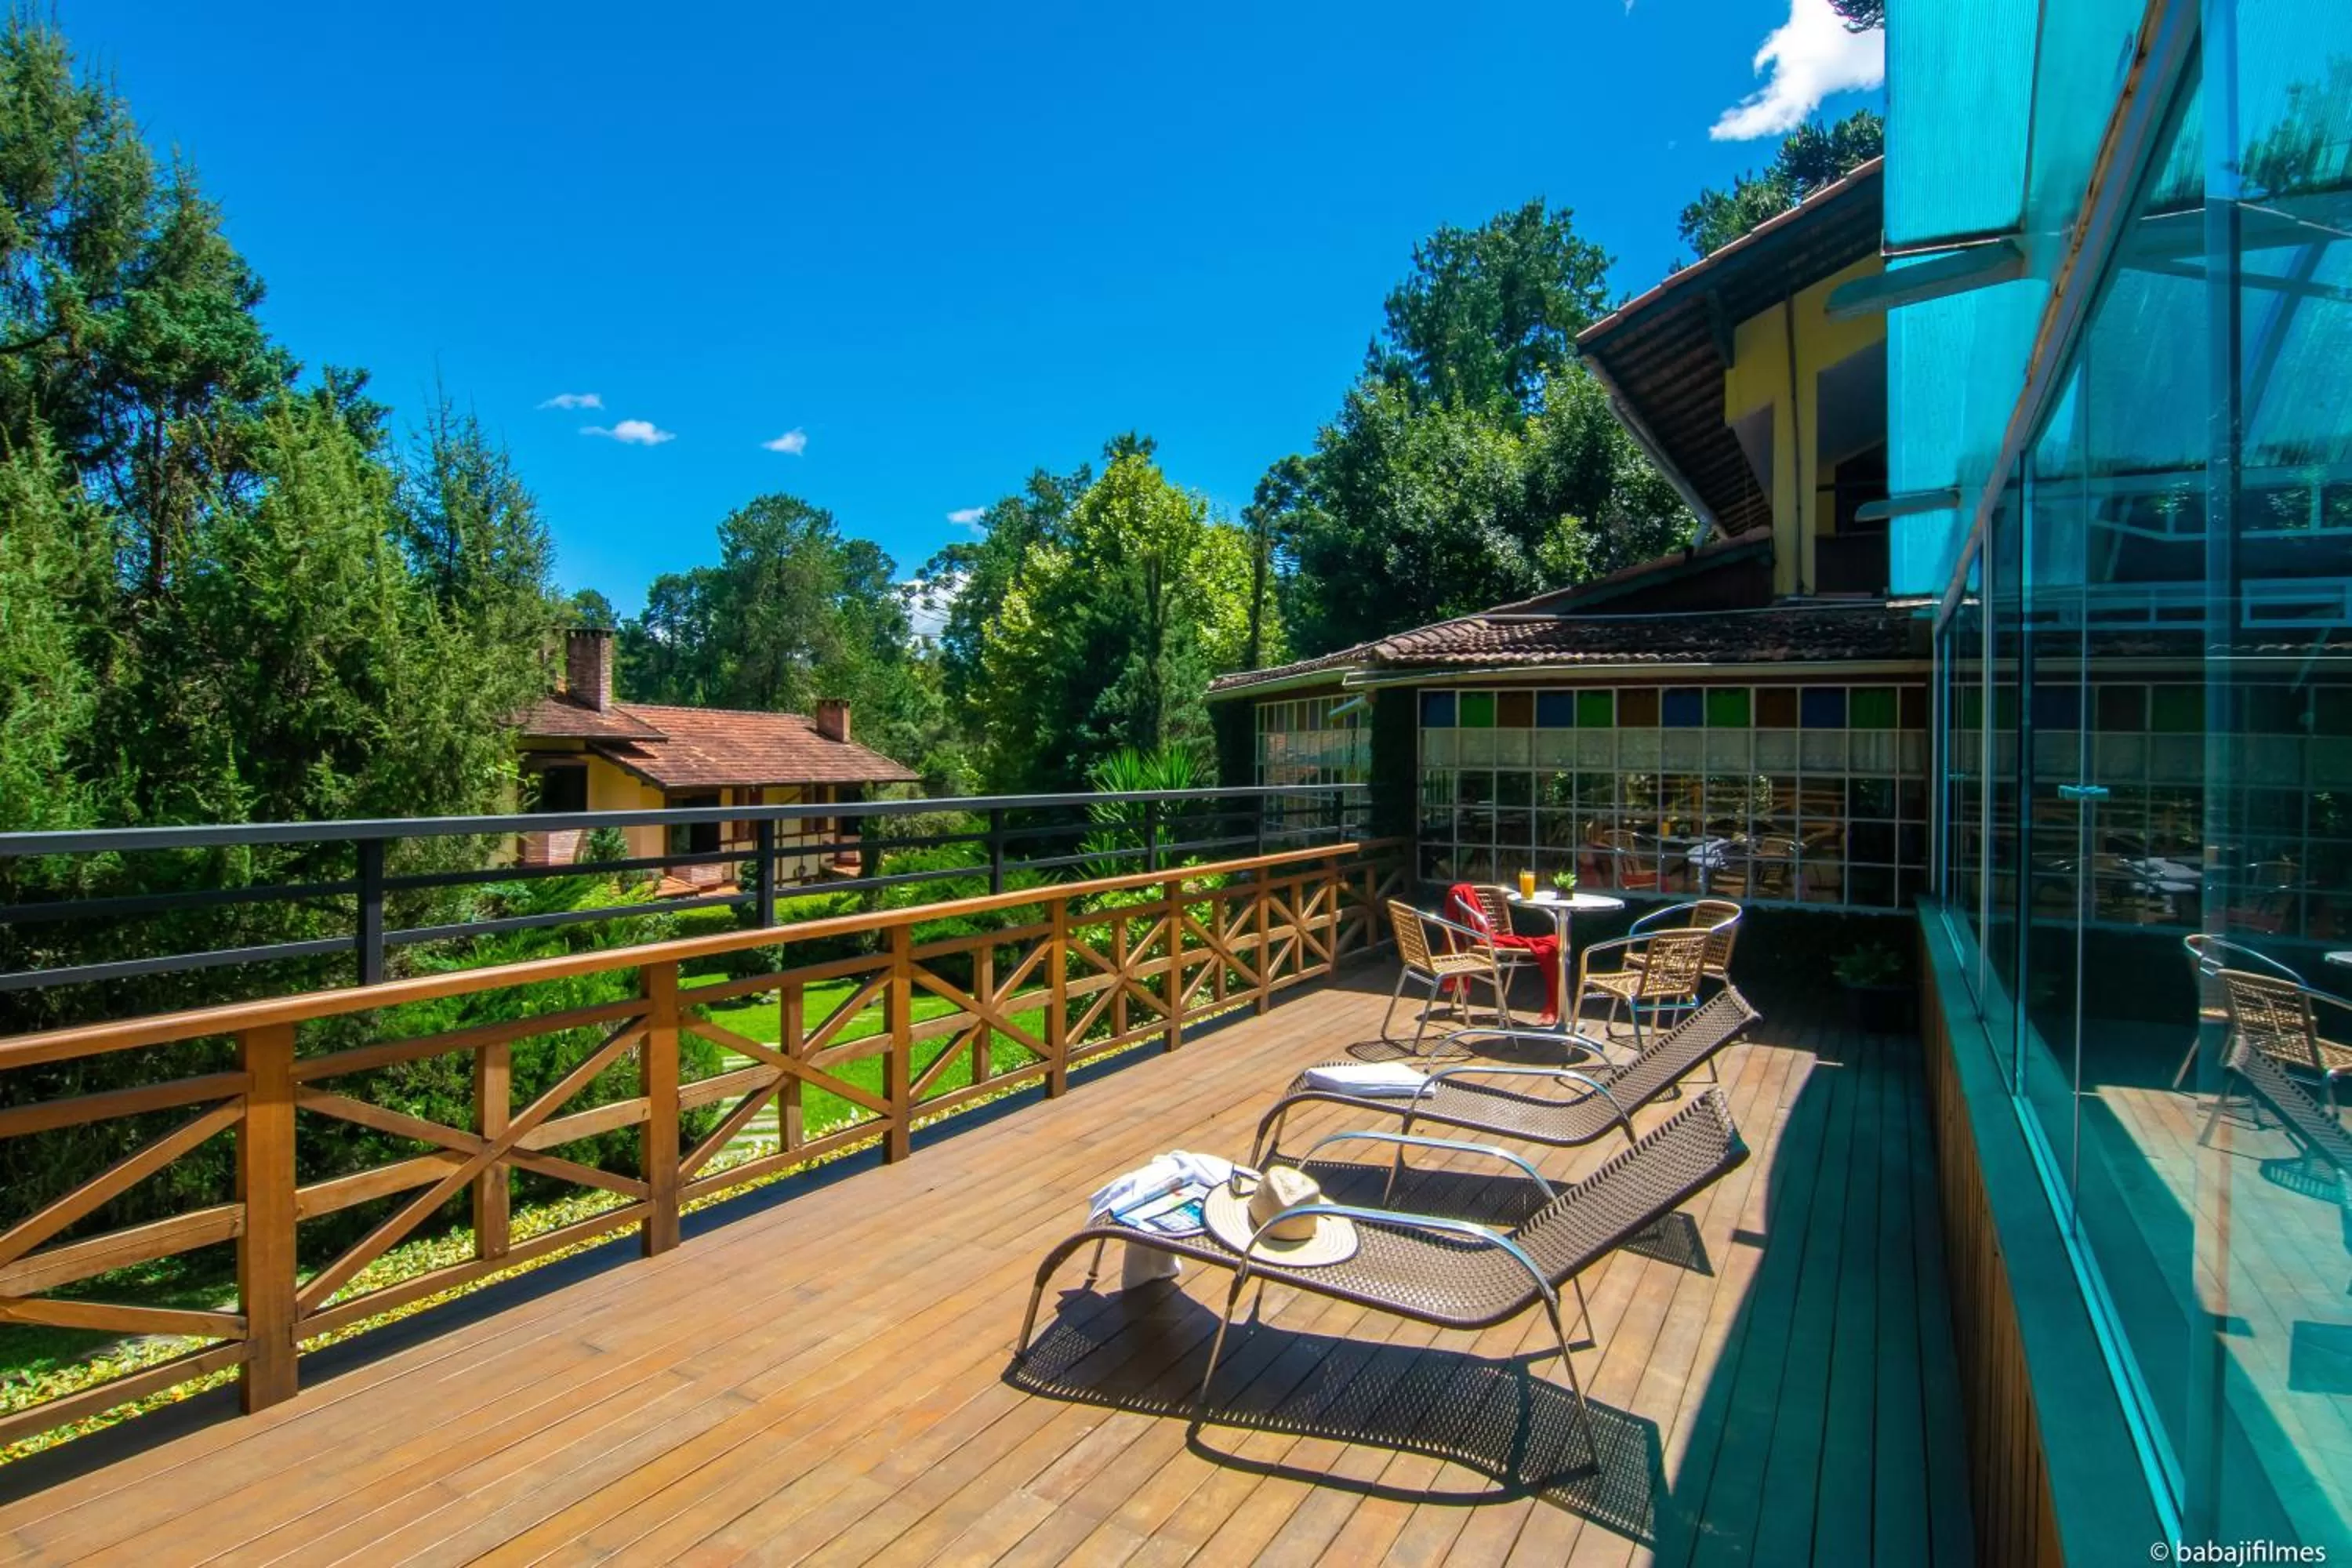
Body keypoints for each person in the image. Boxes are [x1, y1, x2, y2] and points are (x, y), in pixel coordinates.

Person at [1447, 882, 1561, 1026]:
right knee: (1553, 947)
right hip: (1486, 940)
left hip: (1498, 938)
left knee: (1552, 946)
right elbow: (1478, 923)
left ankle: (1557, 1006)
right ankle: (1558, 1007)